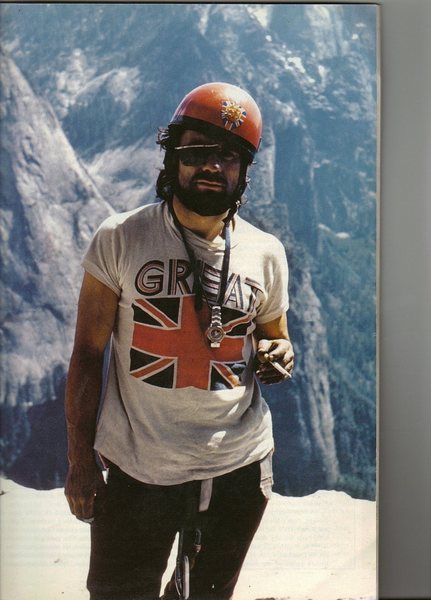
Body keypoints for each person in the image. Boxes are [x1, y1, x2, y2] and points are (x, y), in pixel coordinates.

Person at [64, 81, 294, 600]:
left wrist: (281, 352)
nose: (213, 167)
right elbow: (86, 355)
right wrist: (80, 462)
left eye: (230, 157)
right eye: (198, 153)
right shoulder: (120, 239)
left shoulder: (266, 252)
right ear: (172, 159)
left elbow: (275, 336)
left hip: (239, 468)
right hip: (139, 469)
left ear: (244, 172)